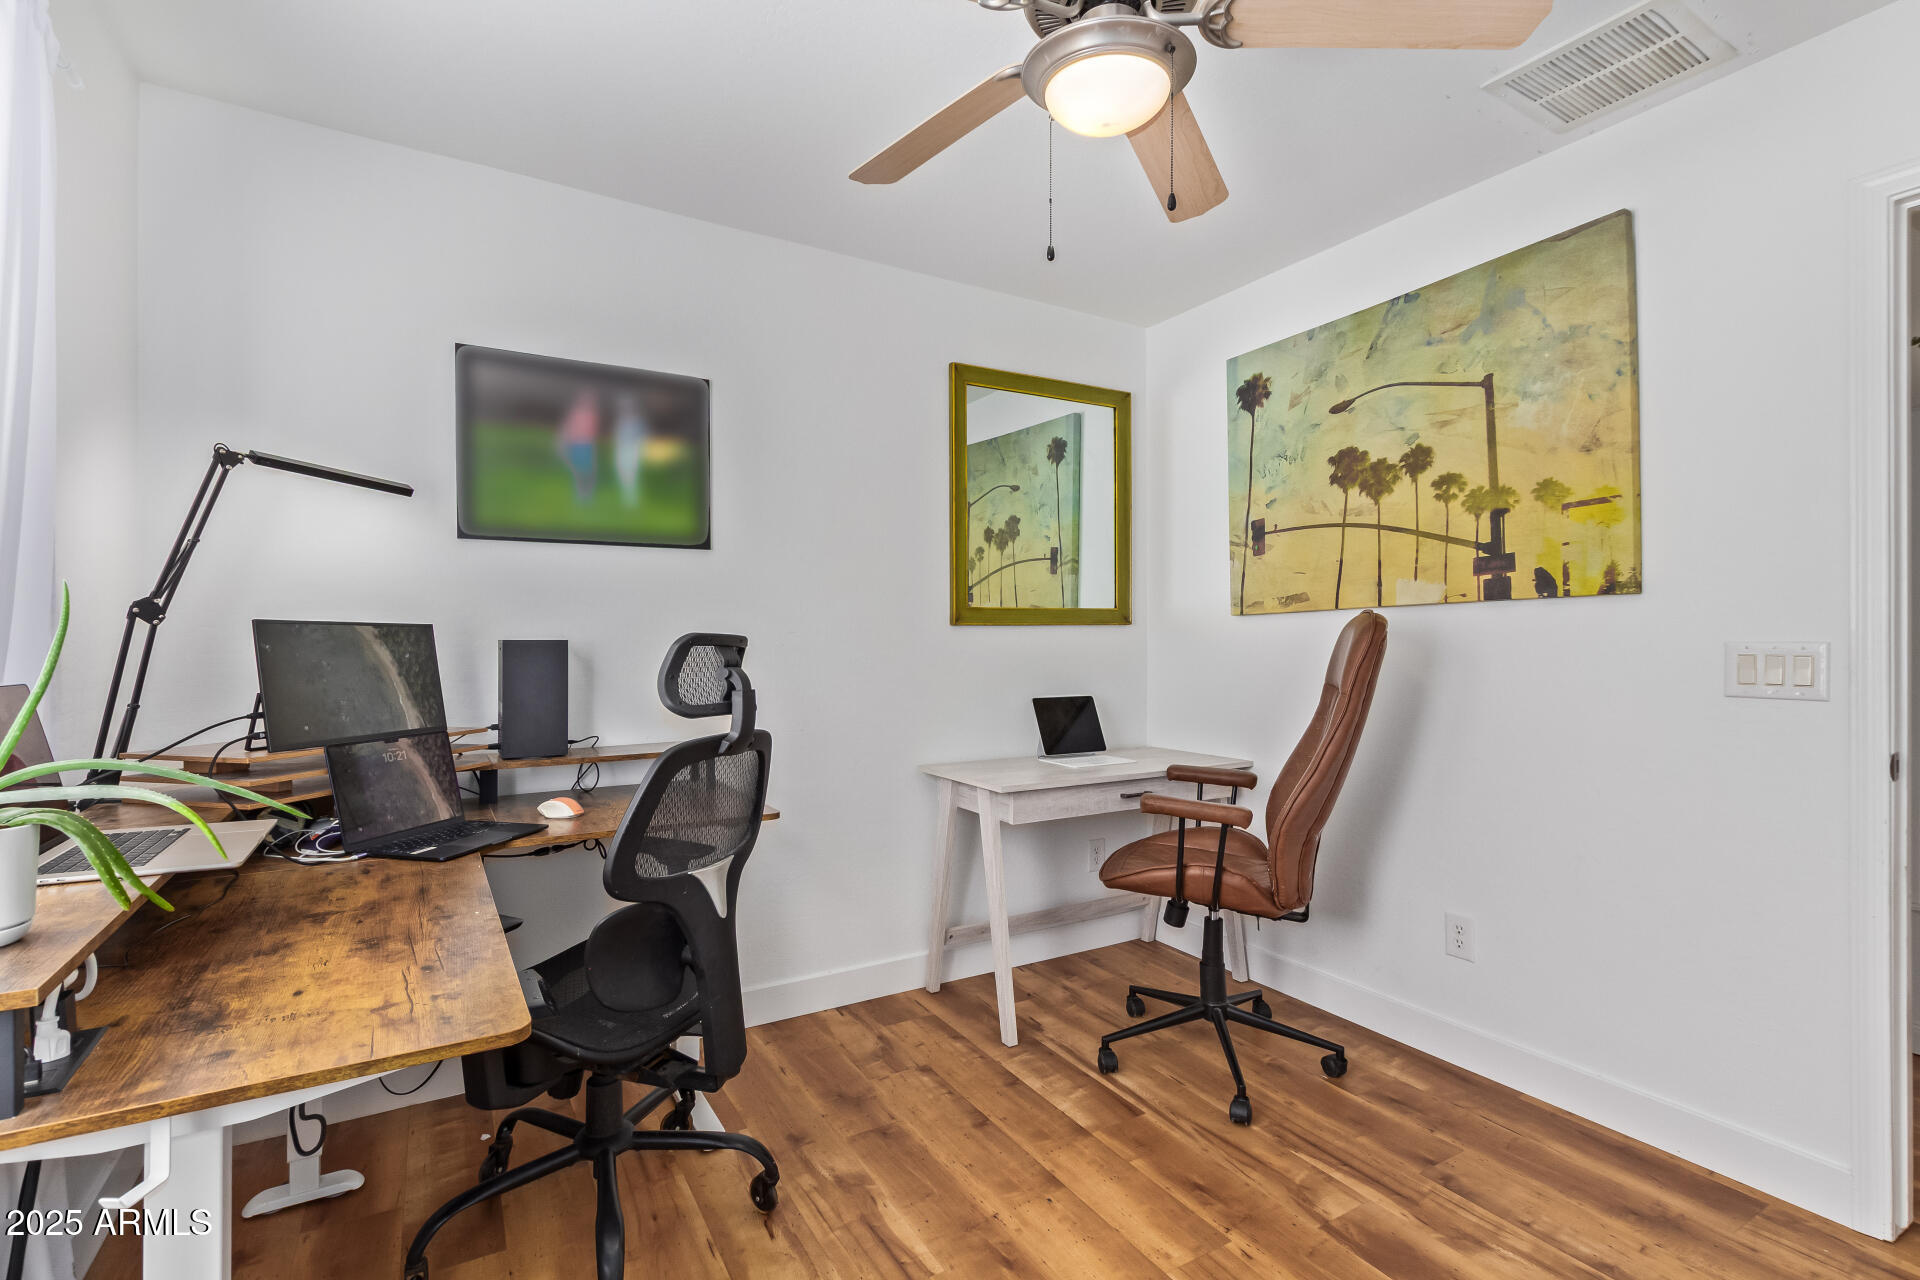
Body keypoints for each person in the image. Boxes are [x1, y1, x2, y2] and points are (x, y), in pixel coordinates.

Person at [556, 390, 601, 504]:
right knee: (578, 472)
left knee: (590, 472)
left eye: (591, 400)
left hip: (588, 445)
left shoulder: (593, 415)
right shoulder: (575, 413)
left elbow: (593, 432)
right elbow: (568, 428)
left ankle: (588, 496)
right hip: (576, 445)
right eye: (586, 399)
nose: (589, 402)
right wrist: (564, 443)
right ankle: (580, 496)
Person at [611, 392, 649, 508]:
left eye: (628, 406)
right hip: (621, 449)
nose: (625, 409)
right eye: (624, 407)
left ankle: (632, 501)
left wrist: (639, 448)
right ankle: (626, 499)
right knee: (622, 473)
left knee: (631, 475)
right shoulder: (620, 421)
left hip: (632, 449)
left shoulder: (638, 421)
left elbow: (644, 436)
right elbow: (617, 436)